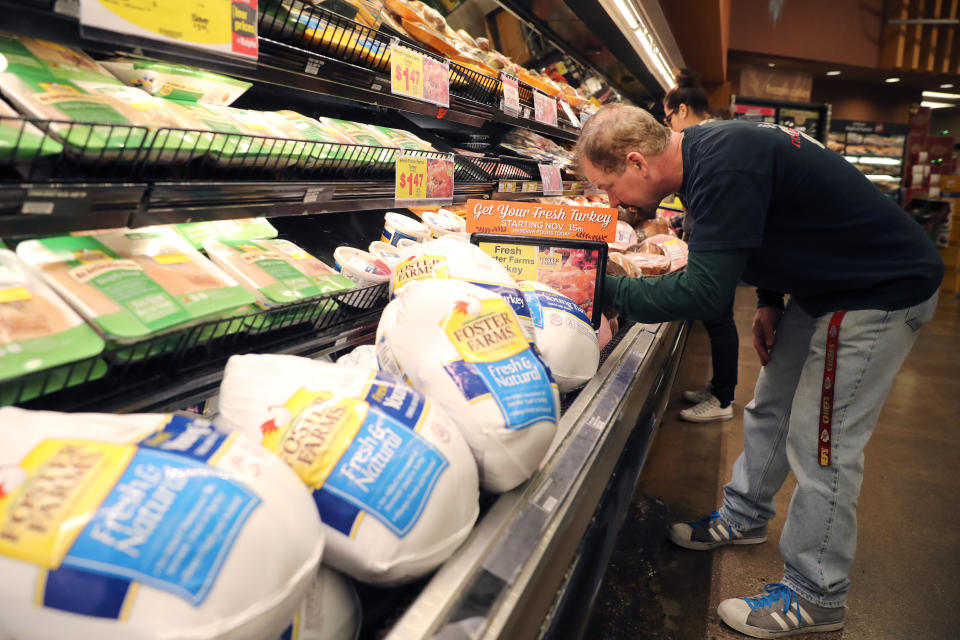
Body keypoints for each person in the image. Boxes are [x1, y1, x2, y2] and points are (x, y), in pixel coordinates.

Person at [577, 104, 943, 638]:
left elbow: (704, 291)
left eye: (608, 186)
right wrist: (771, 298)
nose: (611, 201)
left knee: (824, 443)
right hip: (826, 285)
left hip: (877, 290)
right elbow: (776, 218)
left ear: (636, 162)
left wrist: (597, 287)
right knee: (770, 404)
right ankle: (744, 516)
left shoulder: (722, 164)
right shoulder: (705, 152)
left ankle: (817, 596)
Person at [662, 70, 738, 423]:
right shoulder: (719, 131)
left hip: (716, 240)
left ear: (680, 110)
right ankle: (719, 387)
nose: (669, 124)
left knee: (719, 317)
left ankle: (723, 399)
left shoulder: (696, 138)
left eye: (667, 116)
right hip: (714, 236)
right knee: (717, 317)